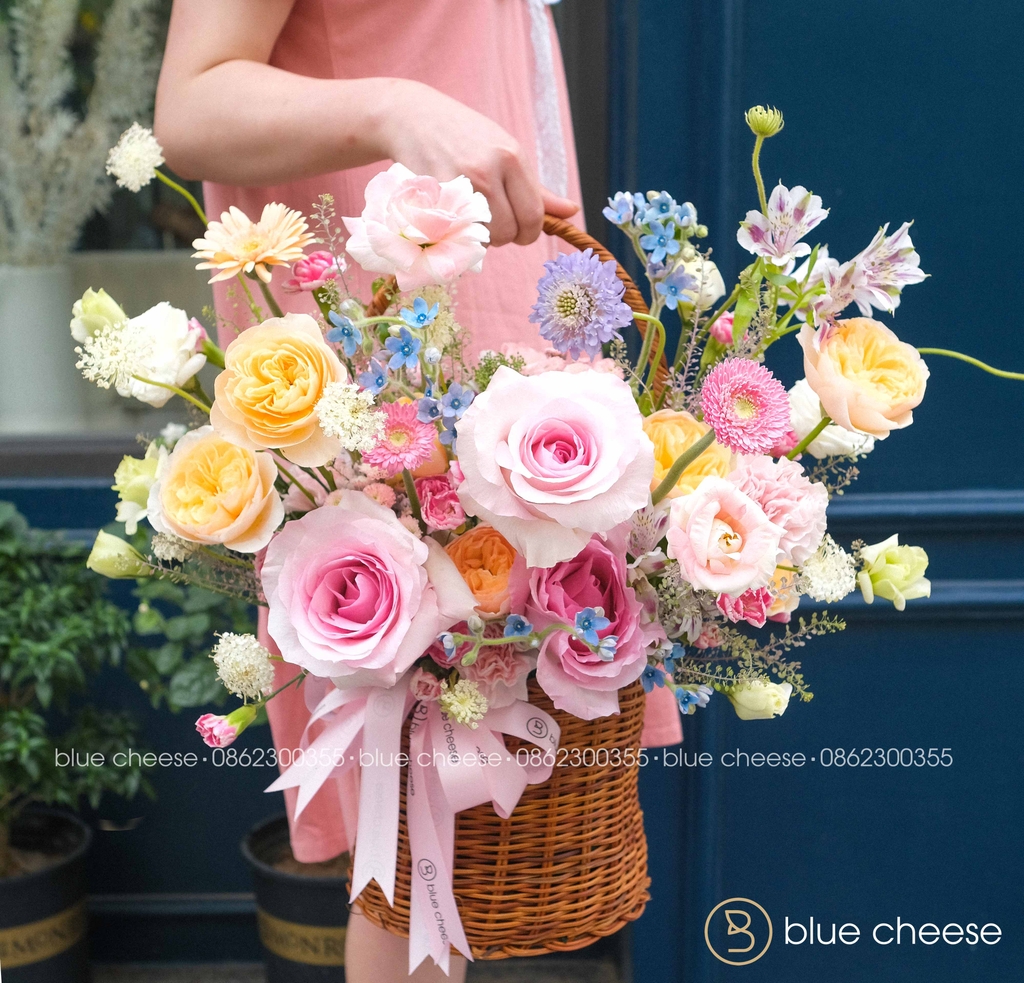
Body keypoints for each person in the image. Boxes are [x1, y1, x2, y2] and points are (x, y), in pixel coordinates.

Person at [155, 2, 681, 979]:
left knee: (440, 869)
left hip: (508, 379)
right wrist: (397, 108)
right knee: (416, 861)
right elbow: (192, 104)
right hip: (395, 394)